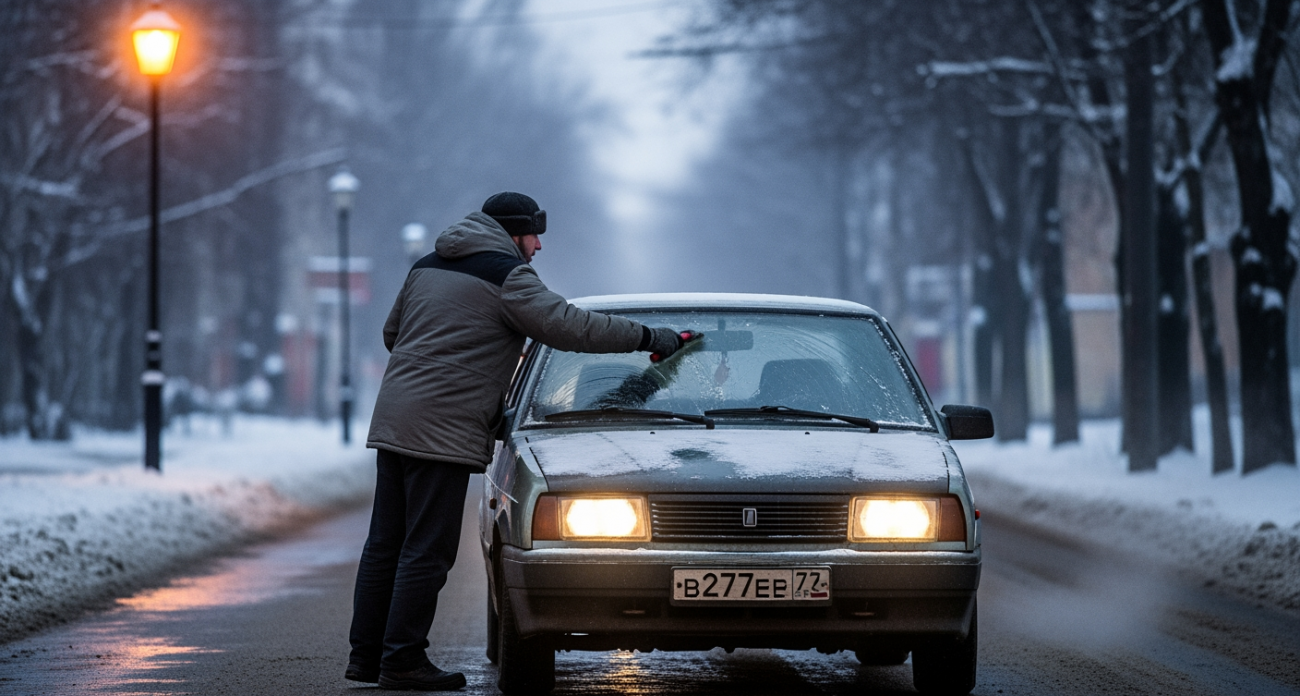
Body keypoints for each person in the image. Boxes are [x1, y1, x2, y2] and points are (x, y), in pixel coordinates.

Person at [346, 192, 687, 691]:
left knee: (385, 543)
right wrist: (649, 338)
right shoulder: (509, 276)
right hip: (442, 428)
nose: (540, 245)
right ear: (513, 233)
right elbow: (572, 328)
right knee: (428, 547)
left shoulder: (426, 266)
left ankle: (367, 657)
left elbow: (394, 334)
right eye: (534, 234)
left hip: (397, 418)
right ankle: (402, 660)